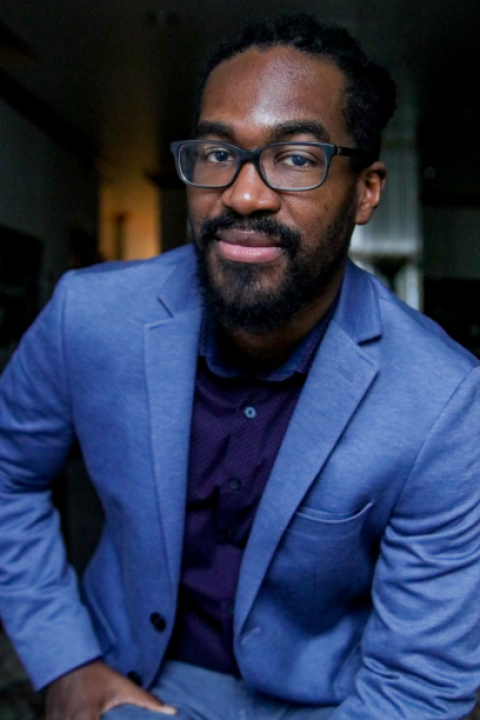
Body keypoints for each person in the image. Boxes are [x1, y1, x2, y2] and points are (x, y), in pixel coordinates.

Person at [0, 12, 480, 720]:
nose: (244, 194)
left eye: (296, 158)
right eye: (218, 153)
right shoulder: (87, 318)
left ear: (367, 191)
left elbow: (420, 685)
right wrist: (65, 662)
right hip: (118, 679)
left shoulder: (444, 398)